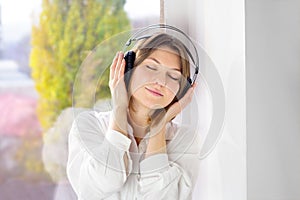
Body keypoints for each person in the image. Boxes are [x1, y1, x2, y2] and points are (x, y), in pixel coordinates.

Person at [66, 32, 201, 200]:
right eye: (151, 67)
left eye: (173, 76)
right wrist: (119, 109)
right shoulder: (89, 125)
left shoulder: (185, 140)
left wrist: (158, 128)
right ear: (128, 69)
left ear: (181, 90)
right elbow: (103, 183)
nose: (160, 81)